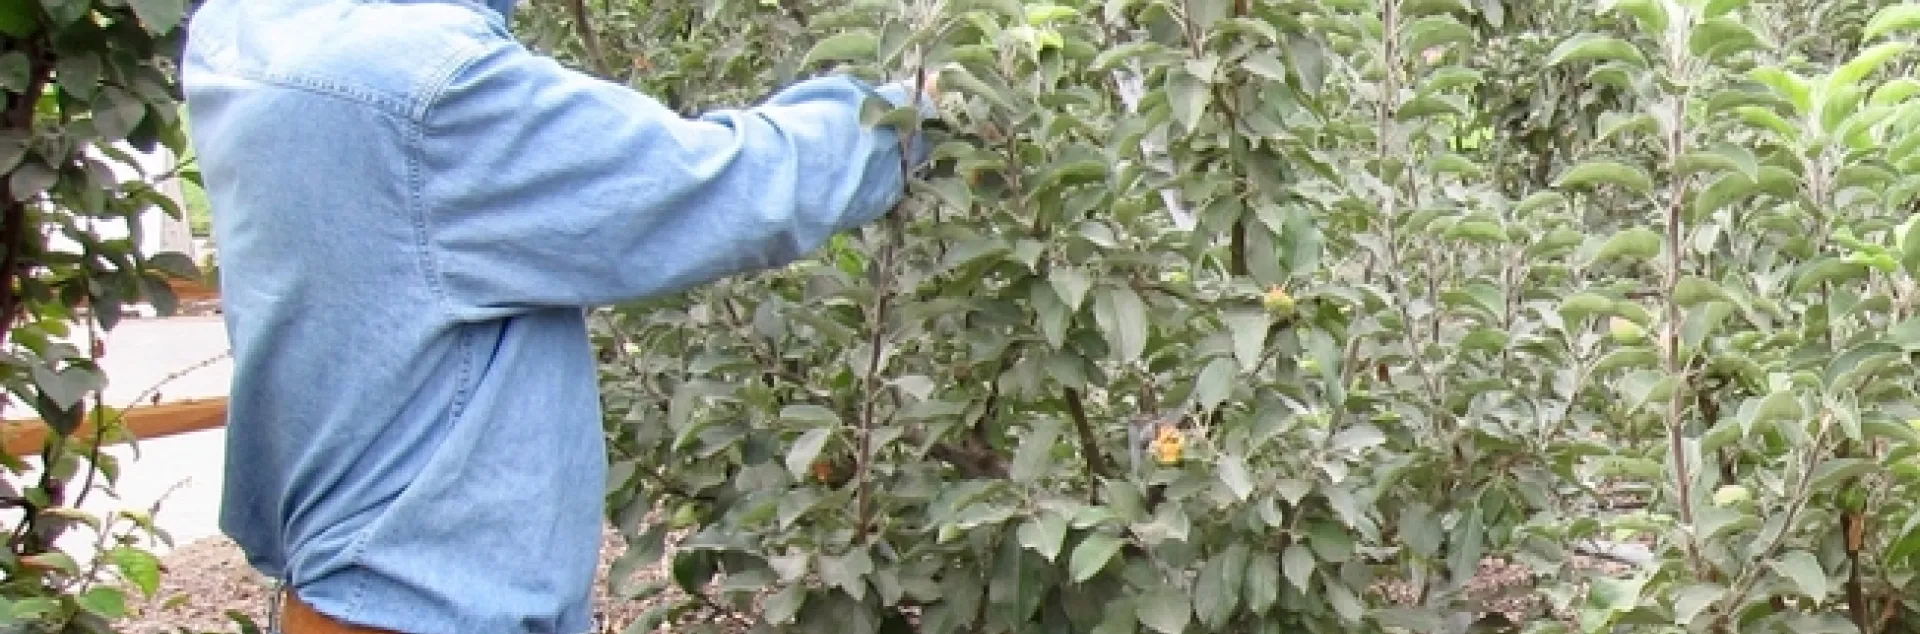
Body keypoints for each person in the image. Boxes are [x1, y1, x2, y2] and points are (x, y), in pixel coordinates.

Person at [179, 0, 937, 631]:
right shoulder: (427, 93)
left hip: (339, 588)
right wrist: (915, 113)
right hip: (427, 604)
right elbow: (723, 184)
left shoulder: (254, 35)